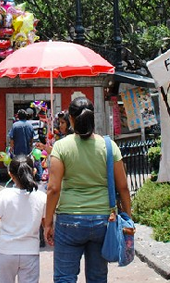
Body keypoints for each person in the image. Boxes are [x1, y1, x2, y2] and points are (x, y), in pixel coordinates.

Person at [43, 97, 132, 283]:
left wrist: (48, 222)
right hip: (103, 221)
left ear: (71, 119)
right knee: (97, 278)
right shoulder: (109, 146)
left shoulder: (61, 146)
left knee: (64, 278)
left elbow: (53, 189)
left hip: (69, 221)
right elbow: (123, 186)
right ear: (93, 117)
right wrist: (128, 219)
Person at [0, 155, 46, 283]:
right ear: (34, 172)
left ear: (10, 174)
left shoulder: (5, 195)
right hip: (30, 252)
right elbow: (46, 224)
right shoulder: (41, 196)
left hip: (6, 251)